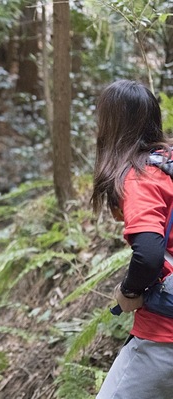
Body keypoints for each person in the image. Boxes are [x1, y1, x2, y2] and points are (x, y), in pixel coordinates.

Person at [91, 80, 173, 398]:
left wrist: (129, 292)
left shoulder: (141, 177)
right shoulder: (167, 166)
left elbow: (149, 252)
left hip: (164, 338)